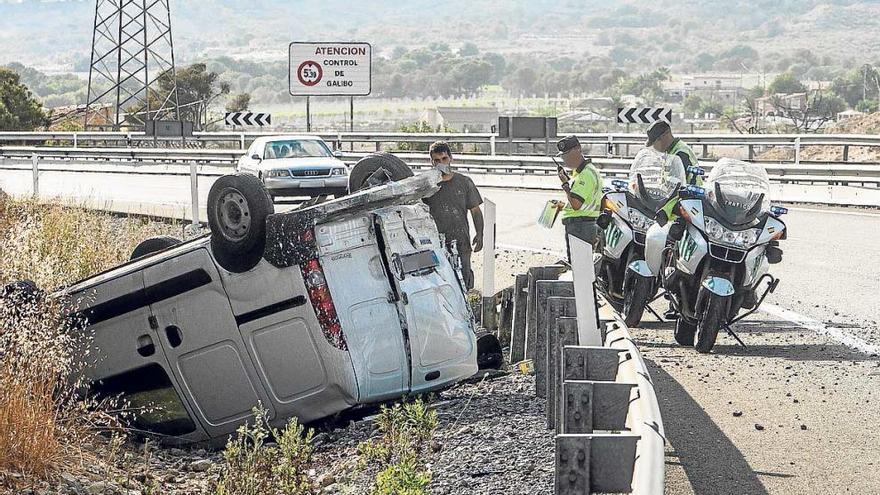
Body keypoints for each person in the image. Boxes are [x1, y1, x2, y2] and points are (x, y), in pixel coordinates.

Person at [423, 141, 484, 290]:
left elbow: (475, 211)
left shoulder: (464, 182)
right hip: (435, 245)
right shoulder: (426, 186)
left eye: (444, 159)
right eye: (437, 160)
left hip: (461, 243)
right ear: (431, 162)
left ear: (450, 158)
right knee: (441, 287)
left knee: (464, 283)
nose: (441, 163)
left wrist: (480, 234)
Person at [554, 135, 603, 262]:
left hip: (581, 227)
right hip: (583, 225)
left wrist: (565, 184)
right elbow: (582, 201)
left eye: (568, 154)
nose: (565, 159)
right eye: (563, 156)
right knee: (581, 267)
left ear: (578, 149)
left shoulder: (585, 174)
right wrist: (562, 205)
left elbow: (577, 204)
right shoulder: (581, 173)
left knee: (579, 268)